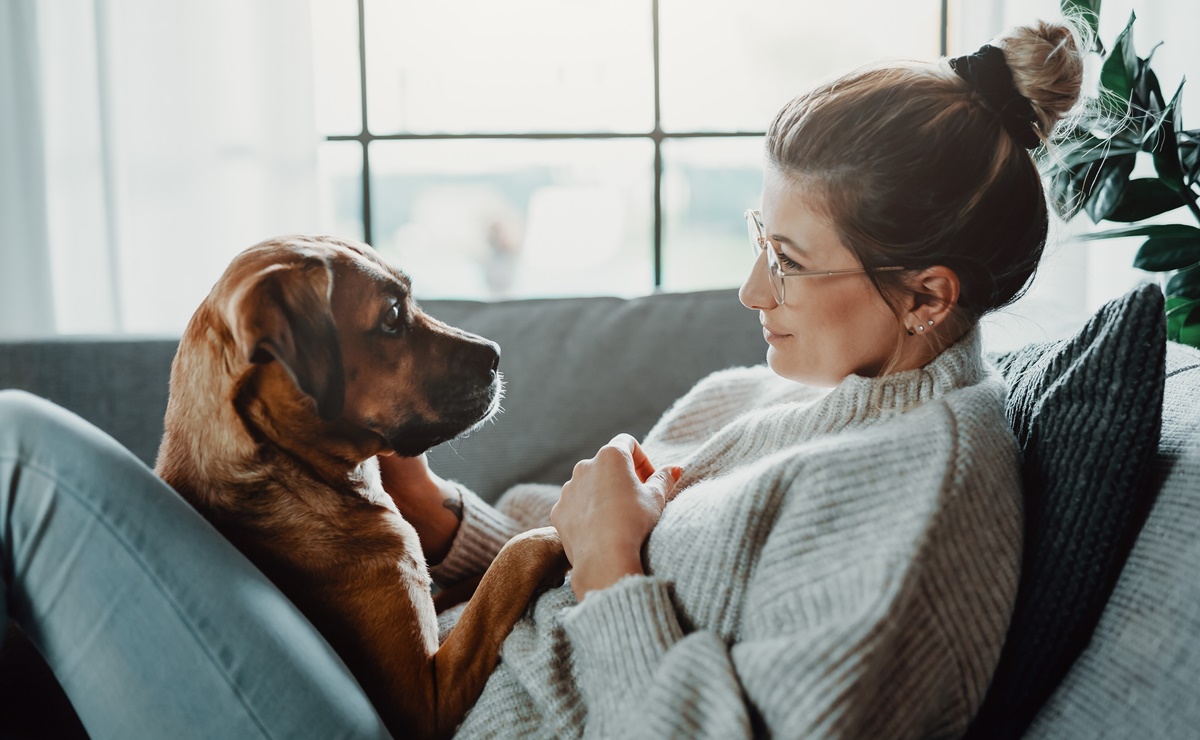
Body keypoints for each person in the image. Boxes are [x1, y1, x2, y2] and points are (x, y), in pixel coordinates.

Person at [0, 18, 1085, 739]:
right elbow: (552, 546)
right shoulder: (777, 393)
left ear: (930, 295)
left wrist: (613, 567)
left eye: (790, 261)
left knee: (16, 452)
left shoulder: (924, 493)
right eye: (763, 236)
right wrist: (443, 526)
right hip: (419, 674)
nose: (751, 290)